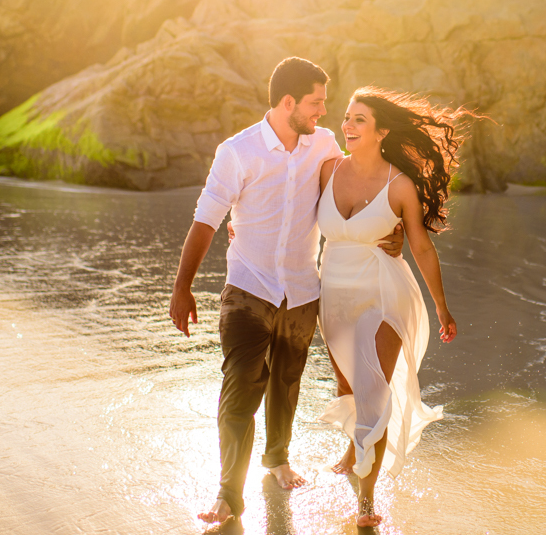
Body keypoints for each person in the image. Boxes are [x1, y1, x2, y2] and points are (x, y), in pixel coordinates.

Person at [168, 58, 404, 525]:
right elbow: (207, 218)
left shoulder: (325, 145)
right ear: (289, 102)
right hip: (248, 288)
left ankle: (276, 459)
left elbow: (352, 194)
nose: (323, 112)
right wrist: (182, 287)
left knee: (287, 384)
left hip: (302, 290)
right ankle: (228, 495)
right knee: (240, 389)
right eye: (316, 102)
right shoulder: (238, 152)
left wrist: (389, 232)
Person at [316, 86, 471, 527]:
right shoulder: (327, 171)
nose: (347, 125)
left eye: (359, 119)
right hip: (335, 295)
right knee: (348, 387)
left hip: (385, 293)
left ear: (382, 130)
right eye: (347, 117)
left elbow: (421, 248)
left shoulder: (399, 185)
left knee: (373, 393)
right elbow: (290, 210)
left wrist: (442, 307)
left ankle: (365, 501)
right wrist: (240, 229)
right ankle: (354, 448)